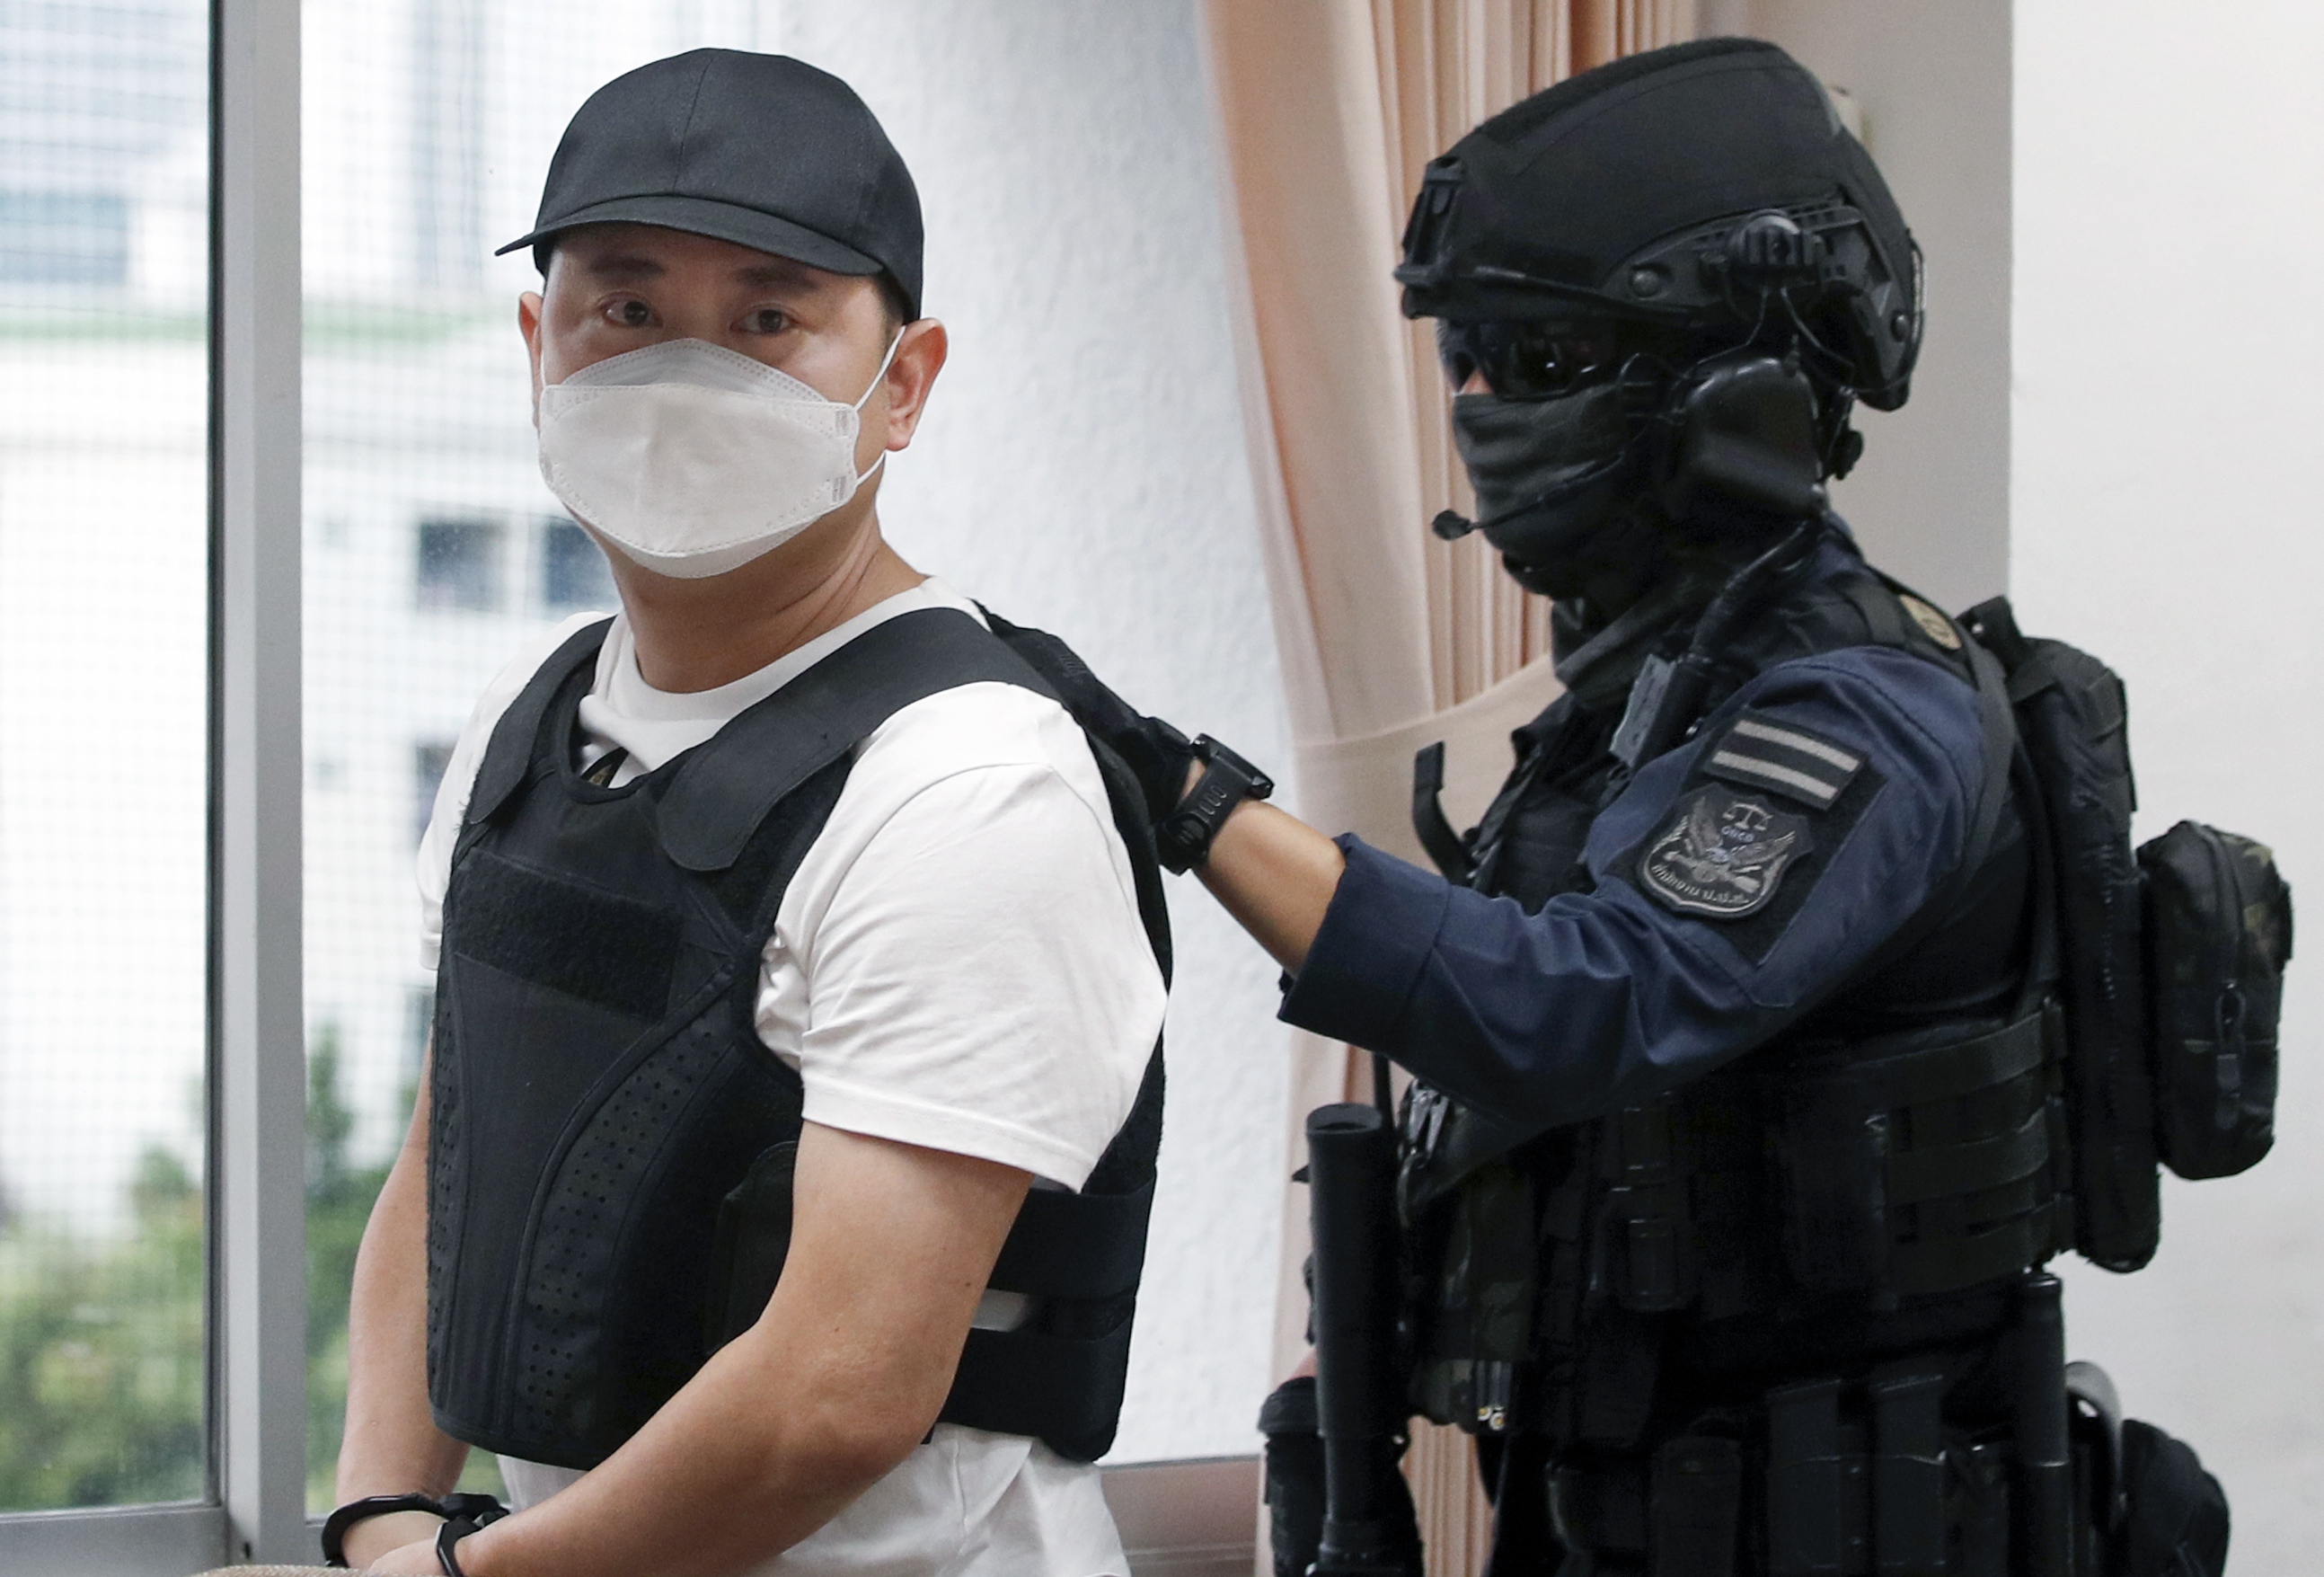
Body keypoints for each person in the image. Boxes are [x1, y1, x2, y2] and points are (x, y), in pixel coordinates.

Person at [1062, 38, 2239, 1577]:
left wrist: (1195, 802)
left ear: (1738, 392)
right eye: (1466, 364)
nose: (1482, 413)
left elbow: (1581, 1010)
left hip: (1830, 1524)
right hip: (1624, 1503)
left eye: (1541, 366)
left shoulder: (1860, 705)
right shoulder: (1653, 695)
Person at [323, 50, 1171, 1577]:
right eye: (629, 311)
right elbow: (451, 1155)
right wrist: (381, 1518)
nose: (683, 373)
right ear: (540, 345)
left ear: (900, 382)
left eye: (768, 319)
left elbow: (836, 1399)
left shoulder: (968, 784)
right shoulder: (533, 723)